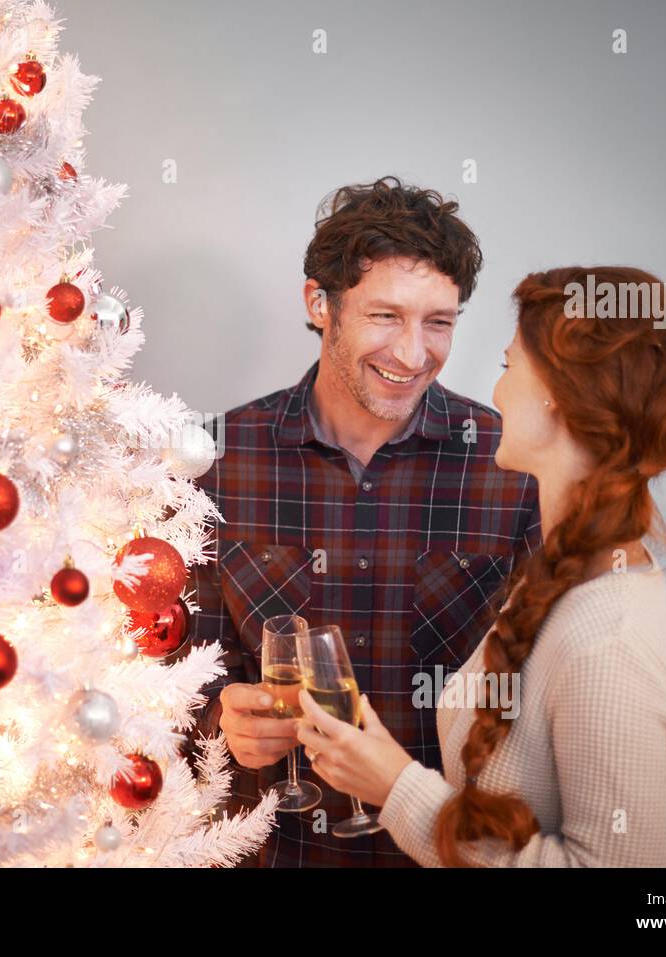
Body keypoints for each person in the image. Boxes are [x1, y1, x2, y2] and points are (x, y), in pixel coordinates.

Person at [293, 265, 666, 866]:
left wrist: (396, 787)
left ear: (558, 400)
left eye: (508, 366)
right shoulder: (566, 572)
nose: (494, 392)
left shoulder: (609, 639)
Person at [186, 176, 540, 867]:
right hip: (271, 853)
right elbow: (177, 676)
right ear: (320, 303)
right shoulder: (216, 461)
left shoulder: (512, 464)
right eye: (385, 316)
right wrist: (220, 720)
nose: (414, 354)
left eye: (438, 321)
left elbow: (545, 699)